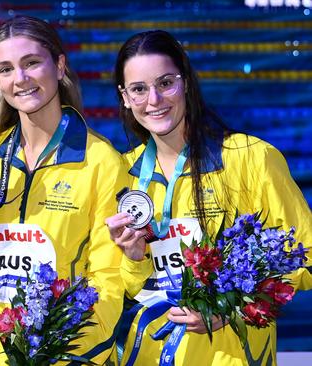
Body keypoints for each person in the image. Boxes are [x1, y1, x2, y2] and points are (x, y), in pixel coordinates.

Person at [106, 30, 312, 365]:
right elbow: (123, 287)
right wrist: (132, 257)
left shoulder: (251, 158)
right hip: (145, 356)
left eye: (165, 83)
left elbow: (306, 255)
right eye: (139, 89)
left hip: (228, 356)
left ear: (185, 82)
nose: (154, 100)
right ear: (125, 97)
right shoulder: (120, 173)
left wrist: (230, 307)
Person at [0, 15, 127, 365]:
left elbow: (108, 278)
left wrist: (61, 349)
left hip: (67, 356)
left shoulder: (100, 161)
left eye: (31, 63)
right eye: (6, 69)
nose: (21, 79)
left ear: (59, 66)